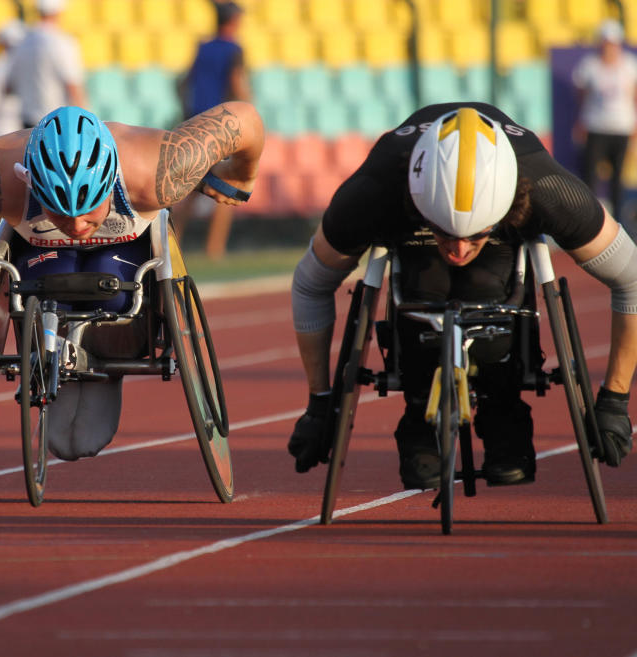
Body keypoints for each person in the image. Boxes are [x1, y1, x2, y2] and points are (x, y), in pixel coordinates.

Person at [288, 102, 636, 489]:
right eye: (445, 232)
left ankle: (505, 411)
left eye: (474, 235)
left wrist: (614, 400)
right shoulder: (376, 190)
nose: (458, 249)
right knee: (424, 288)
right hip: (410, 229)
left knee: (492, 290)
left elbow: (632, 280)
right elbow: (310, 283)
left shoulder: (548, 189)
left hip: (505, 234)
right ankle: (419, 414)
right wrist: (319, 403)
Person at [0, 101, 263, 460]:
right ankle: (56, 350)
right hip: (43, 256)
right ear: (31, 182)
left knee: (115, 295)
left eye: (88, 212)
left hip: (126, 251)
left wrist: (241, 174)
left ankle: (101, 351)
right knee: (48, 292)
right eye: (59, 211)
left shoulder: (160, 171)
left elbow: (246, 120)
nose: (75, 227)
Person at [174, 0, 252, 259]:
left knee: (191, 187)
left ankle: (174, 241)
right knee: (226, 187)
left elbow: (184, 83)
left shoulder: (203, 47)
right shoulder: (234, 49)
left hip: (194, 122)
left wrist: (187, 112)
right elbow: (236, 83)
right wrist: (248, 113)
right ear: (233, 21)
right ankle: (214, 250)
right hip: (220, 125)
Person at [572, 19, 637, 222]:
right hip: (596, 126)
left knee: (617, 178)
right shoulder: (590, 65)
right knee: (590, 175)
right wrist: (582, 120)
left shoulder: (629, 65)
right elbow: (582, 94)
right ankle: (589, 220)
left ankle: (618, 221)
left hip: (621, 127)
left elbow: (633, 96)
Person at [6, 0, 88, 128]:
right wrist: (85, 122)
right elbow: (73, 85)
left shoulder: (23, 42)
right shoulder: (63, 42)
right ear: (58, 12)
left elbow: (10, 86)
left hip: (27, 121)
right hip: (56, 123)